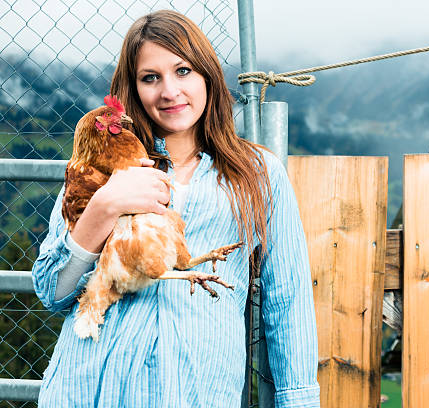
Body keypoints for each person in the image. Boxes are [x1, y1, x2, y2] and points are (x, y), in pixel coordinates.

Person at [32, 9, 319, 407]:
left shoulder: (257, 174)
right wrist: (105, 206)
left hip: (197, 393)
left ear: (207, 75)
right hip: (91, 389)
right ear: (133, 89)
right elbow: (53, 292)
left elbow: (287, 303)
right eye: (151, 77)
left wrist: (298, 401)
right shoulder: (99, 170)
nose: (169, 91)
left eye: (182, 71)